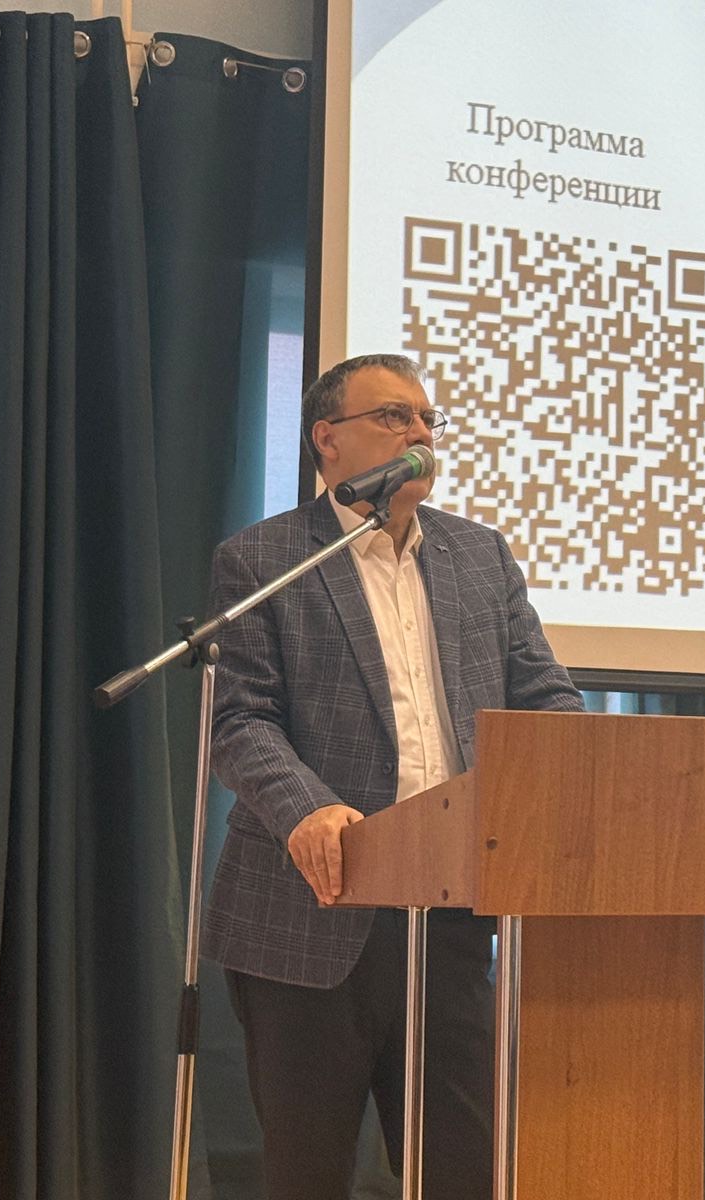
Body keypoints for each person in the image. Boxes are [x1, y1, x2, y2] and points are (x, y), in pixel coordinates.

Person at [202, 353, 584, 1199]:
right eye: (392, 417)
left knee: (463, 1170)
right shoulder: (265, 559)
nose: (419, 433)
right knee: (307, 1174)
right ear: (326, 439)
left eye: (425, 418)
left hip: (451, 913)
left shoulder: (480, 556)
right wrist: (307, 809)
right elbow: (241, 719)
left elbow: (546, 697)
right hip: (310, 910)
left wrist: (570, 775)